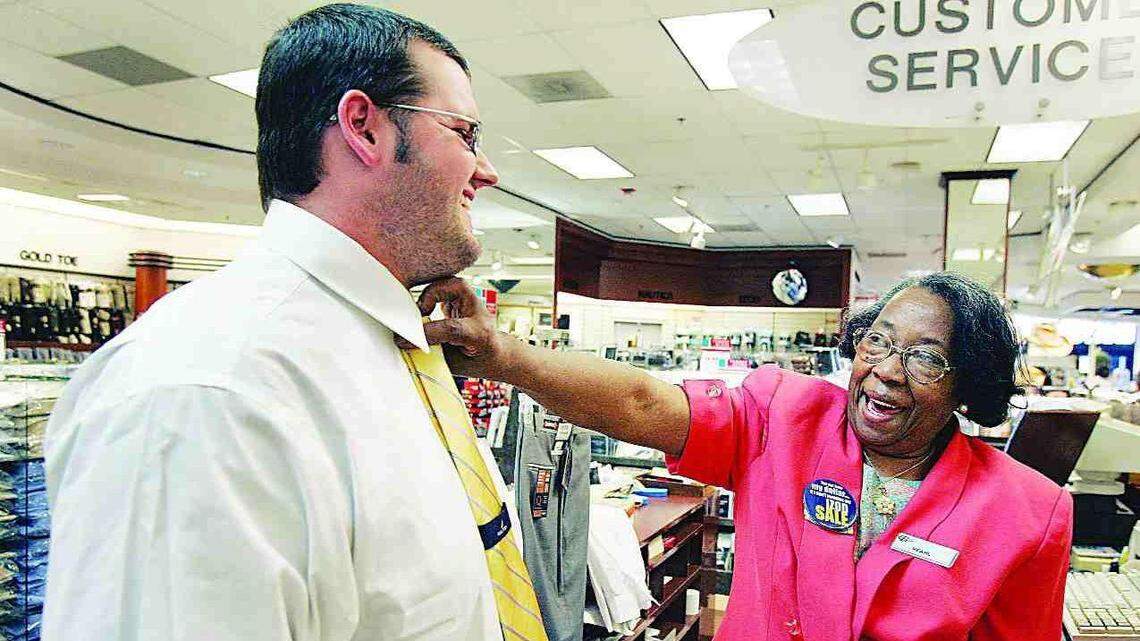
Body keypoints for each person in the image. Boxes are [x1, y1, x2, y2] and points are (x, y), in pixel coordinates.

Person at [42, 5, 539, 641]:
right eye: (464, 134)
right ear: (364, 127)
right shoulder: (207, 393)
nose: (487, 170)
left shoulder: (393, 351)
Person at [411, 271, 1074, 640]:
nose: (887, 371)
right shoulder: (783, 415)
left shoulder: (1028, 512)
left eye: (927, 356)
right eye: (877, 340)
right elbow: (645, 401)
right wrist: (504, 356)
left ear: (968, 384)